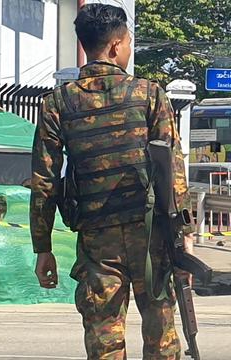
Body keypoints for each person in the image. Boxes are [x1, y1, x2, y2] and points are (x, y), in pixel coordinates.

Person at [29, 4, 193, 359]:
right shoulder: (149, 94)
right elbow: (172, 170)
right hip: (150, 234)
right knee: (162, 334)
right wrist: (184, 234)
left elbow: (44, 181)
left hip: (96, 240)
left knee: (104, 338)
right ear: (116, 46)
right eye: (130, 42)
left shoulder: (58, 103)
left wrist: (42, 247)